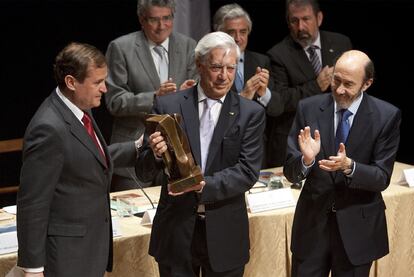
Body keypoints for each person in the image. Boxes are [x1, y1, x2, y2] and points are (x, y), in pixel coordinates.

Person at [135, 31, 265, 276]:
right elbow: (142, 171)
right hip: (176, 232)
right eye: (216, 67)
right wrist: (153, 153)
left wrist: (201, 186)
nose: (224, 76)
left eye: (230, 67)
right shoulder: (168, 105)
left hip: (225, 233)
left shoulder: (250, 113)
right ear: (199, 64)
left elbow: (247, 172)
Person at [16, 42, 139, 277]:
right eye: (97, 82)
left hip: (89, 249)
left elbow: (89, 159)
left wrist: (137, 146)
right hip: (67, 258)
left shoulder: (79, 107)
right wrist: (32, 268)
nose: (105, 89)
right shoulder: (48, 127)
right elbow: (33, 203)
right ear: (71, 82)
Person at [284, 50, 401, 276]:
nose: (339, 89)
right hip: (312, 228)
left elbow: (381, 177)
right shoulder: (307, 107)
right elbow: (290, 171)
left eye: (348, 84)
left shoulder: (386, 116)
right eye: (336, 80)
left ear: (366, 84)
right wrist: (306, 160)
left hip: (357, 230)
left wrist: (350, 166)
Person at [105, 0, 198, 191]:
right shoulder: (121, 47)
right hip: (133, 154)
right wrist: (154, 97)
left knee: (174, 217)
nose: (161, 26)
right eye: (154, 20)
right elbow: (114, 101)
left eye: (166, 18)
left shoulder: (189, 45)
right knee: (132, 219)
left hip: (177, 154)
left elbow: (197, 97)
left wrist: (186, 93)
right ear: (141, 19)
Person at [266, 0, 352, 168]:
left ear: (319, 18)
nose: (300, 27)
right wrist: (316, 86)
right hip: (300, 139)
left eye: (306, 19)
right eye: (294, 21)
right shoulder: (278, 54)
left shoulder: (341, 43)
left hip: (338, 132)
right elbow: (281, 101)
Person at [213, 3, 284, 168]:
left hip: (256, 148)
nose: (238, 38)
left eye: (243, 32)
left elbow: (277, 108)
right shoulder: (211, 65)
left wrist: (263, 92)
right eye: (231, 32)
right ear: (218, 33)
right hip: (221, 147)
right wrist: (242, 98)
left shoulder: (261, 61)